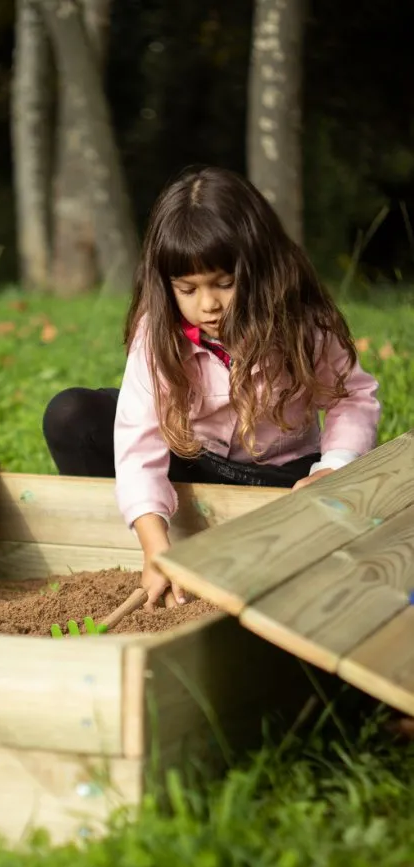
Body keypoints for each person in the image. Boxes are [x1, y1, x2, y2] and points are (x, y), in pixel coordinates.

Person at [42, 165, 381, 610]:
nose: (208, 305)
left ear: (261, 270)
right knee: (71, 415)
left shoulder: (302, 323)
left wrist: (332, 468)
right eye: (187, 289)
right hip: (191, 460)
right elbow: (139, 440)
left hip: (279, 477)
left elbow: (351, 397)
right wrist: (155, 544)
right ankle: (140, 549)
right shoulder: (157, 331)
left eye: (225, 284)